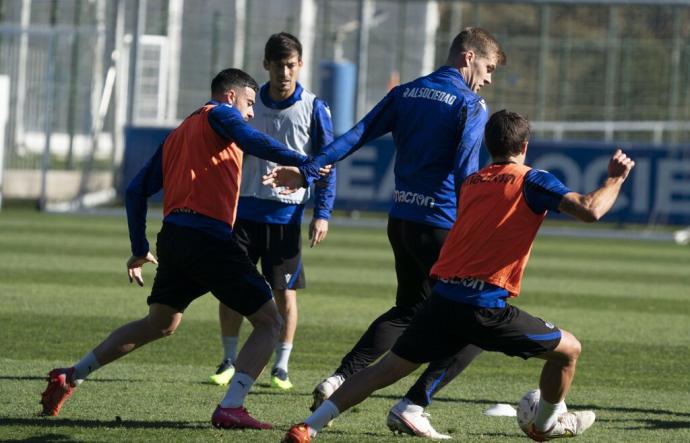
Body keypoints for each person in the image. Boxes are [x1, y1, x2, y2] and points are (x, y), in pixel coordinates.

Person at [280, 110, 635, 442]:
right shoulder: (532, 180)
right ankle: (545, 425)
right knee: (569, 351)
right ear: (524, 147)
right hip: (483, 306)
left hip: (442, 299)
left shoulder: (473, 182)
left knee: (382, 371)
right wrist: (615, 180)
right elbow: (591, 210)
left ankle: (309, 428)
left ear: (487, 144)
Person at [265, 27, 505, 439]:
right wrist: (477, 228)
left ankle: (340, 379)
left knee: (409, 310)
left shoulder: (406, 93)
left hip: (402, 222)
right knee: (478, 324)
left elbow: (354, 136)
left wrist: (307, 171)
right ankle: (414, 404)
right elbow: (467, 172)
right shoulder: (470, 104)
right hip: (441, 226)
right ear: (468, 57)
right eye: (487, 68)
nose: (487, 79)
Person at [39, 68, 312, 430]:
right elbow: (251, 139)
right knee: (270, 321)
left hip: (175, 238)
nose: (250, 113)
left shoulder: (180, 132)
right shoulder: (222, 114)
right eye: (249, 103)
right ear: (230, 97)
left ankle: (71, 375)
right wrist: (302, 161)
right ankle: (232, 405)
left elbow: (136, 191)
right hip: (208, 240)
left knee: (161, 323)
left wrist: (139, 246)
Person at [208, 32, 335, 391]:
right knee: (231, 289)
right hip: (243, 213)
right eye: (278, 65)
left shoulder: (314, 107)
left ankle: (281, 366)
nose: (284, 72)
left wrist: (322, 213)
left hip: (286, 217)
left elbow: (327, 163)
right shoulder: (248, 104)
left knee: (285, 294)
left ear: (300, 65)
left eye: (291, 65)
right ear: (266, 65)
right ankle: (229, 360)